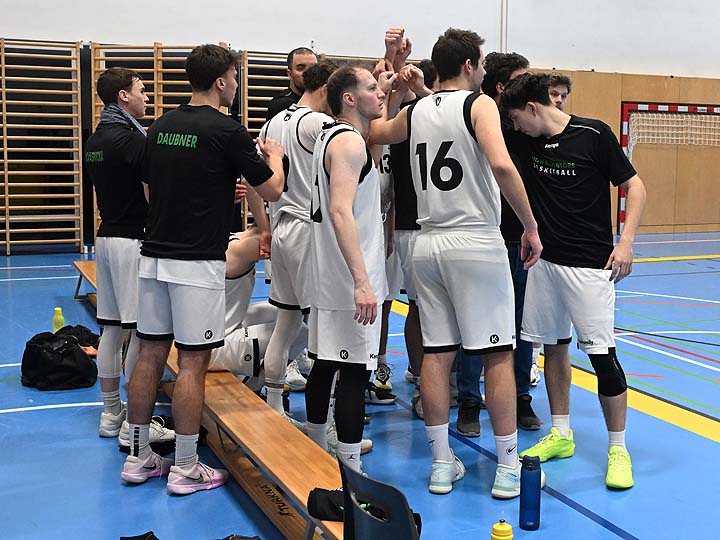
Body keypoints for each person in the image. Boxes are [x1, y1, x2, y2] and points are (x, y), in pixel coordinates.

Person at [369, 28, 542, 497]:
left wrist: (388, 87)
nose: (484, 70)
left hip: (426, 244)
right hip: (474, 240)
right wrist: (529, 224)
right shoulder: (479, 104)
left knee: (437, 354)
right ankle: (508, 467)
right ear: (468, 65)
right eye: (481, 63)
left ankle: (442, 464)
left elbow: (374, 131)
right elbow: (501, 165)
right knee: (498, 354)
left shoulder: (416, 110)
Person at [121, 44, 286, 495]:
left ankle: (138, 456)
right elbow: (272, 189)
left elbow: (152, 188)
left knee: (151, 354)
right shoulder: (228, 130)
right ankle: (186, 466)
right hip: (196, 263)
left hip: (154, 255)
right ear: (220, 81)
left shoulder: (160, 126)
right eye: (234, 77)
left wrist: (207, 192)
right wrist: (274, 156)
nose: (236, 85)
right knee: (193, 362)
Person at [501, 73, 647, 489]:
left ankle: (618, 448)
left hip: (590, 265)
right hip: (544, 263)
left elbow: (635, 187)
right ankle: (561, 433)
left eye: (518, 119)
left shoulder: (593, 134)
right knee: (553, 347)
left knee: (602, 357)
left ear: (532, 108)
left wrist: (626, 243)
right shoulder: (528, 141)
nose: (516, 128)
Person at [84, 67, 176, 448]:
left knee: (110, 328)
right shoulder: (132, 139)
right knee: (141, 331)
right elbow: (152, 189)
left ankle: (111, 414)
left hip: (105, 239)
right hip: (132, 240)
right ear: (123, 96)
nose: (146, 97)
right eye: (141, 90)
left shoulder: (94, 139)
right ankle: (135, 423)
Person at [304, 65, 389, 472]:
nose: (380, 93)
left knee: (325, 364)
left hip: (329, 274)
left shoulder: (331, 135)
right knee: (354, 373)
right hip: (348, 277)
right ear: (350, 99)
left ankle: (314, 449)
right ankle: (351, 471)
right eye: (372, 88)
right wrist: (362, 281)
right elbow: (340, 210)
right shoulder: (350, 143)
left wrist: (388, 77)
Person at [455, 51, 543, 438]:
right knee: (477, 324)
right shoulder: (479, 118)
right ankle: (469, 400)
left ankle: (521, 397)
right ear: (503, 85)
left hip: (520, 239)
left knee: (523, 323)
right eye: (522, 79)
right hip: (484, 236)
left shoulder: (530, 126)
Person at [258, 60, 337, 416]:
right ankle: (327, 421)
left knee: (286, 324)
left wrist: (265, 227)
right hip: (309, 230)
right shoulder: (320, 124)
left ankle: (275, 408)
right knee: (324, 332)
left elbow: (256, 185)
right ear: (326, 89)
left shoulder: (271, 123)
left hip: (281, 228)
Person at [265, 47, 319, 121]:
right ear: (290, 74)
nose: (308, 73)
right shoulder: (281, 104)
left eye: (313, 68)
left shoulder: (323, 101)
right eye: (301, 68)